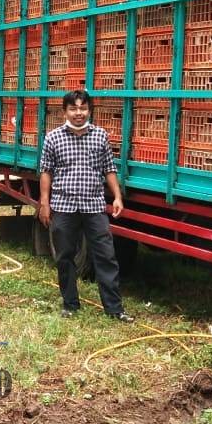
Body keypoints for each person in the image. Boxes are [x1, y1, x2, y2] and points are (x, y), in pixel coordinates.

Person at [38, 90, 133, 323]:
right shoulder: (53, 137)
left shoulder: (100, 135)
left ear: (89, 110)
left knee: (106, 256)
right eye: (73, 108)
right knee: (65, 256)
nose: (78, 113)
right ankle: (70, 304)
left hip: (94, 206)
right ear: (65, 112)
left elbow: (109, 169)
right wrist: (44, 203)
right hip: (63, 205)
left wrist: (117, 197)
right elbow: (46, 172)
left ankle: (114, 308)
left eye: (83, 108)